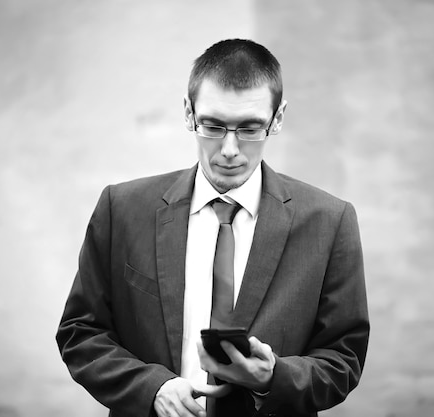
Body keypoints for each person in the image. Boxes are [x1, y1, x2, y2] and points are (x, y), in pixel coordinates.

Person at [56, 38, 369, 417]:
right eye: (214, 126)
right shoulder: (122, 209)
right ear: (188, 113)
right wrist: (152, 388)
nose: (230, 149)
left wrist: (273, 377)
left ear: (278, 118)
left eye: (250, 128)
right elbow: (80, 333)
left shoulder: (329, 221)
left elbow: (343, 360)